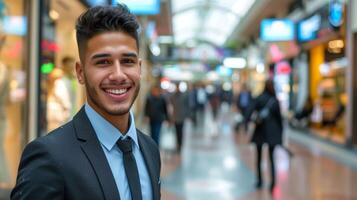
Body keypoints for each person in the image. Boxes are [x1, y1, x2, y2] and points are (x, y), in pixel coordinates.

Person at [11, 5, 161, 200]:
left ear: (139, 68)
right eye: (103, 62)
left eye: (127, 61)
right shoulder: (50, 156)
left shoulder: (149, 149)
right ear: (80, 72)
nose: (118, 75)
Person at [246, 79, 283, 193]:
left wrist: (250, 121)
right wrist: (280, 135)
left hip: (260, 132)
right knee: (272, 159)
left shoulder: (259, 98)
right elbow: (279, 119)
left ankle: (259, 181)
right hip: (272, 133)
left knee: (259, 157)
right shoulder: (274, 100)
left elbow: (249, 111)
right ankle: (273, 182)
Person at [169, 83, 189, 153]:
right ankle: (178, 143)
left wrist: (187, 114)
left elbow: (187, 105)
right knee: (177, 131)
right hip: (175, 116)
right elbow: (170, 105)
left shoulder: (184, 96)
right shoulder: (173, 96)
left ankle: (180, 144)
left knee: (180, 130)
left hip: (181, 116)